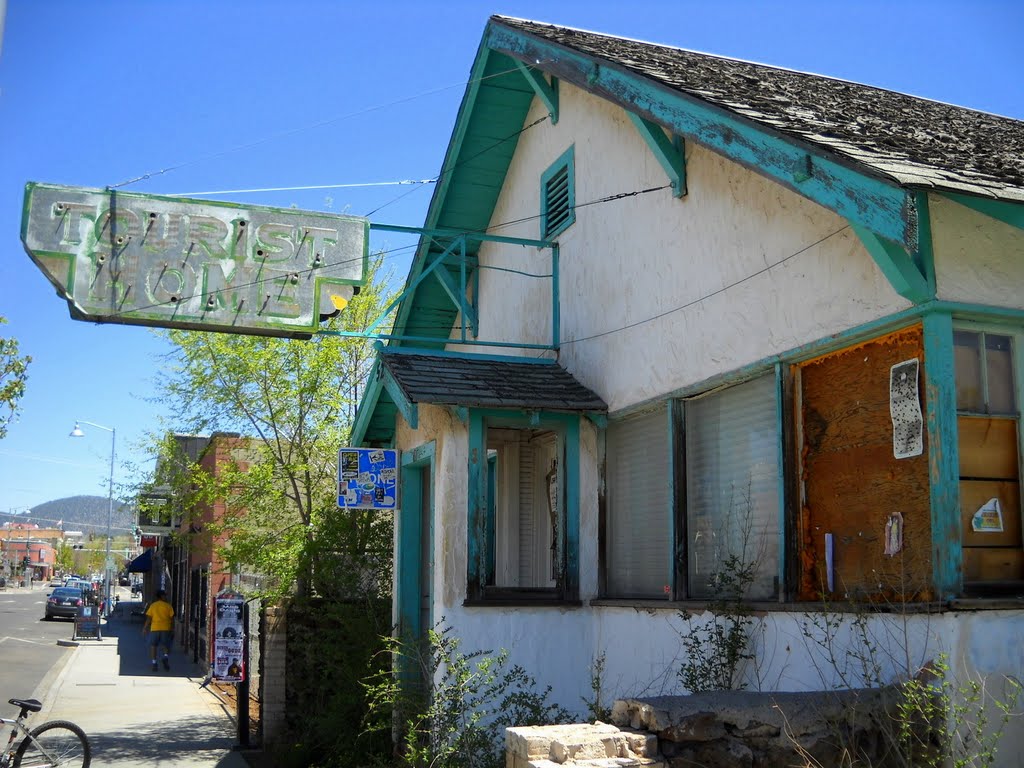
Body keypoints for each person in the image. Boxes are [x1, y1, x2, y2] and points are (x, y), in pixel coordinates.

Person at [142, 590, 175, 672]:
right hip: (166, 628)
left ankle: (154, 663)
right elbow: (172, 618)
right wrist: (172, 628)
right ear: (161, 596)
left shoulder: (153, 606)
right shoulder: (168, 606)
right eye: (165, 595)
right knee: (165, 645)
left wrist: (145, 628)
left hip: (155, 628)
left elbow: (149, 617)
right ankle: (165, 657)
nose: (166, 597)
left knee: (153, 646)